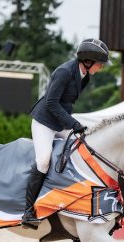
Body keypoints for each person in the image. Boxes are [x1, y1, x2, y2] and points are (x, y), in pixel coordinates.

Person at [22, 39, 110, 227]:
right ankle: (28, 211)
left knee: (83, 150)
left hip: (61, 121)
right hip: (44, 122)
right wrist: (72, 123)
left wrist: (72, 124)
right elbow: (51, 103)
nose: (101, 67)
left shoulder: (84, 75)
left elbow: (66, 104)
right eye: (100, 63)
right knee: (44, 161)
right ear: (88, 60)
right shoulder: (64, 72)